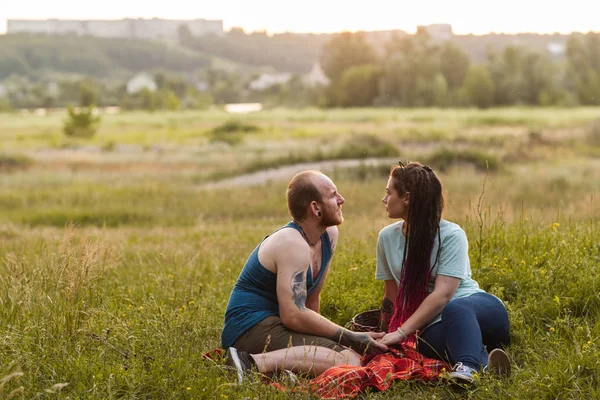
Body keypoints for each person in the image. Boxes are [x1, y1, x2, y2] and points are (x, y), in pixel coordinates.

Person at [221, 170, 387, 382]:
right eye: (333, 195)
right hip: (249, 328)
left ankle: (280, 370)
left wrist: (317, 339)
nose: (341, 200)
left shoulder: (327, 235)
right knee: (349, 360)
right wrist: (350, 337)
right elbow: (293, 314)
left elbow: (311, 298)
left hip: (278, 323)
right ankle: (248, 362)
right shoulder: (291, 242)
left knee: (346, 354)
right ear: (315, 208)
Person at [376, 162, 511, 384]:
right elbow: (391, 295)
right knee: (426, 344)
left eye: (388, 193)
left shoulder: (451, 235)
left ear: (407, 198)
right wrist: (383, 335)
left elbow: (443, 296)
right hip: (434, 324)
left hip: (477, 309)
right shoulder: (386, 238)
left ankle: (467, 368)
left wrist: (401, 332)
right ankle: (486, 365)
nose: (384, 199)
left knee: (454, 308)